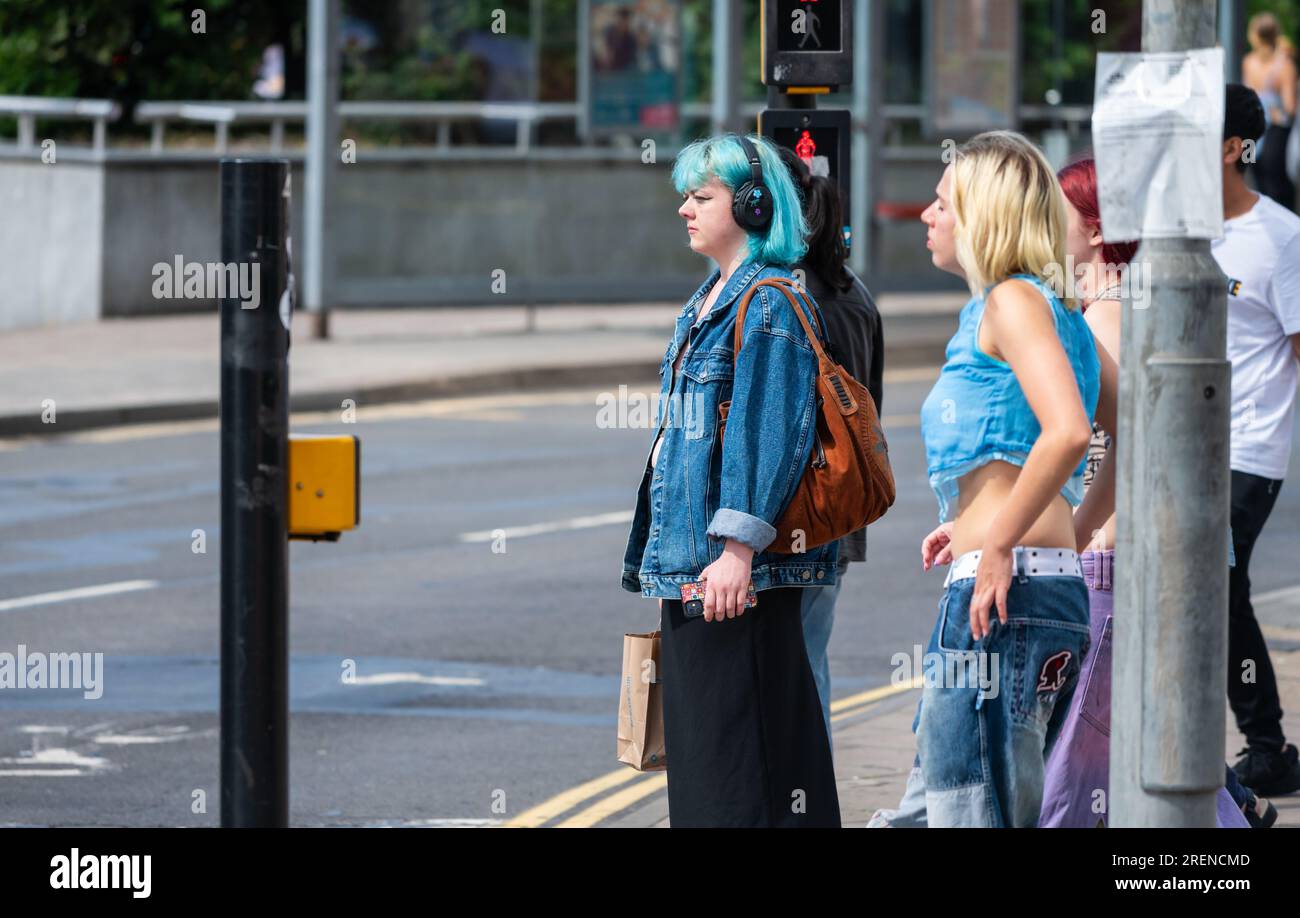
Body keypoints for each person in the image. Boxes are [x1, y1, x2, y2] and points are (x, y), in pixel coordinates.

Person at [619, 133, 842, 827]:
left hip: (734, 579)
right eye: (685, 195)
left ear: (752, 205)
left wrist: (736, 550)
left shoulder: (769, 302)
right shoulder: (710, 300)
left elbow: (764, 437)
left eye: (701, 196)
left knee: (741, 783)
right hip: (695, 572)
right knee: (709, 780)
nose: (685, 209)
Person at [1036, 157, 1251, 828]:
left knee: (1085, 751)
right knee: (1155, 741)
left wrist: (1086, 537)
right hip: (1156, 552)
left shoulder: (1103, 317)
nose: (1046, 228)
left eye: (1058, 215)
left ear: (1094, 230)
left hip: (1117, 557)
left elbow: (1137, 445)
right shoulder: (1152, 307)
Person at [901, 131, 1100, 828]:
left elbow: (1071, 431)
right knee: (950, 801)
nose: (928, 215)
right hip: (1031, 585)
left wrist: (1001, 542)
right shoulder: (1055, 310)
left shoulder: (1013, 302)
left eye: (943, 203)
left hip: (1005, 595)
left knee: (970, 809)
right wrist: (990, 528)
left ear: (982, 217)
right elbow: (1118, 425)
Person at [774, 144, 885, 749]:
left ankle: (798, 795)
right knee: (808, 657)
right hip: (835, 508)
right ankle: (807, 795)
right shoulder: (854, 291)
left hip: (794, 513)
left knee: (783, 671)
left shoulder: (787, 299)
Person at [1213, 84, 1300, 798]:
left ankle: (1265, 745)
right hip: (1181, 444)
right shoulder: (1173, 230)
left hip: (1250, 447)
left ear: (1236, 149)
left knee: (1218, 581)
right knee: (1211, 588)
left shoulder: (1282, 236)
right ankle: (1265, 746)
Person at [1243, 13, 1297, 210]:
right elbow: (1290, 106)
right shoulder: (1285, 65)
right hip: (1276, 129)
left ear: (1255, 36)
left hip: (1251, 133)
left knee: (1252, 176)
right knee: (1278, 183)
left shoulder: (1248, 62)